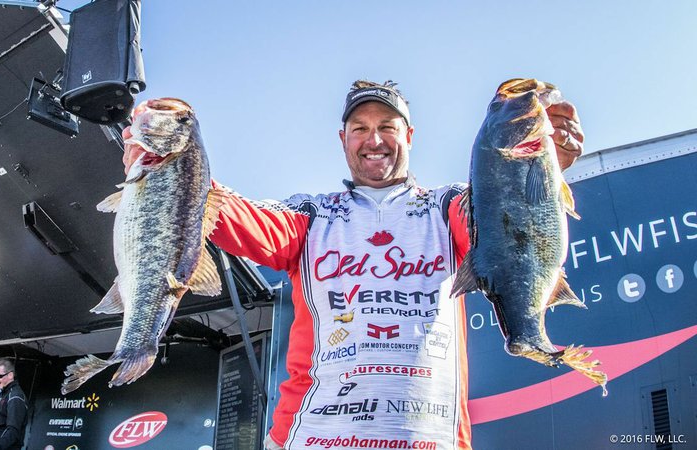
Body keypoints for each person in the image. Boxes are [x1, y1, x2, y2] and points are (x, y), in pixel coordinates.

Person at [122, 80, 584, 450]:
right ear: (343, 140)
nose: (374, 139)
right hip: (310, 437)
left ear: (409, 136)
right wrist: (169, 162)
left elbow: (511, 224)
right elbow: (230, 218)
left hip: (432, 439)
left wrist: (544, 165)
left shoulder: (451, 208)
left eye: (387, 125)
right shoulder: (309, 215)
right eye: (359, 128)